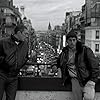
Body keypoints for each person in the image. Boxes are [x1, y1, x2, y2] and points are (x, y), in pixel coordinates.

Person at [52, 29, 99, 100]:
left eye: (74, 40)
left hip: (87, 79)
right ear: (67, 41)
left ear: (76, 40)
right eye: (70, 40)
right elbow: (58, 61)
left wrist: (92, 81)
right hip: (75, 80)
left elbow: (95, 66)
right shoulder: (65, 53)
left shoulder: (85, 50)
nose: (72, 42)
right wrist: (54, 65)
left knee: (88, 98)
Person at [0, 24, 29, 100]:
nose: (27, 36)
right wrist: (5, 63)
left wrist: (20, 64)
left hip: (14, 77)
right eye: (25, 34)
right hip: (2, 75)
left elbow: (26, 57)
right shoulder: (3, 42)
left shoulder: (25, 44)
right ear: (19, 33)